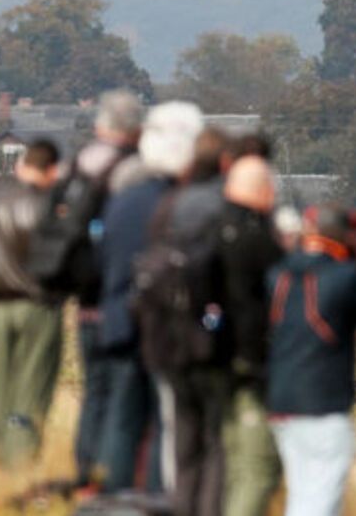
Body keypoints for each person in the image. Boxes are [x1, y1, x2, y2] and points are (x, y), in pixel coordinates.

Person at [36, 89, 147, 487]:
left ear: (101, 125)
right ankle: (115, 482)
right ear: (137, 129)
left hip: (84, 301)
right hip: (121, 301)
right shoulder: (135, 174)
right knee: (124, 396)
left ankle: (85, 471)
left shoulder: (77, 167)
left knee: (93, 390)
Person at [95, 100, 204, 493]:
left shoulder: (123, 200)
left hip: (121, 320)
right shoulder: (184, 204)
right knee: (165, 423)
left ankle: (113, 496)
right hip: (166, 328)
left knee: (122, 417)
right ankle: (158, 498)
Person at [267, 203, 356, 516]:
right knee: (322, 496)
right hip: (324, 404)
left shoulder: (275, 274)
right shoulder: (347, 276)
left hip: (279, 402)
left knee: (300, 491)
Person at [144, 126, 230, 516]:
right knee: (214, 438)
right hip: (211, 335)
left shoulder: (169, 204)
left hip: (168, 332)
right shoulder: (224, 206)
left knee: (182, 432)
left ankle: (180, 505)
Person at [0, 138, 65, 468]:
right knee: (33, 388)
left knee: (4, 387)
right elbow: (66, 261)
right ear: (51, 170)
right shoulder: (51, 209)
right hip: (39, 306)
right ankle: (22, 460)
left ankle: (2, 455)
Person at [218, 155, 284, 516]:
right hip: (249, 361)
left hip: (205, 361)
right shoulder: (259, 241)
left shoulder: (208, 228)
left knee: (228, 460)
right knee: (259, 467)